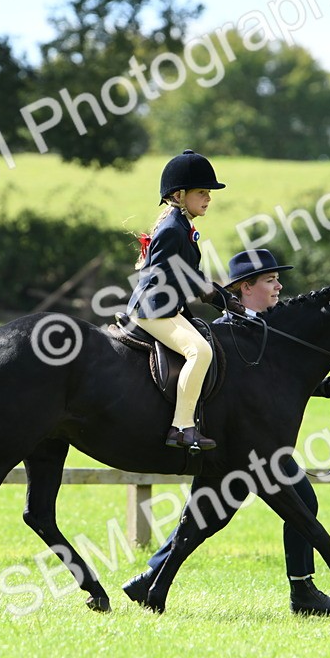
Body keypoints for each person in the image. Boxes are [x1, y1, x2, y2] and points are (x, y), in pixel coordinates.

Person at [131, 248, 330, 616]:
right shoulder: (226, 333)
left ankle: (150, 578)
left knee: (207, 513)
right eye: (270, 280)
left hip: (249, 444)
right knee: (271, 506)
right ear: (244, 289)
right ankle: (303, 592)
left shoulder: (267, 330)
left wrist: (323, 388)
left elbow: (274, 382)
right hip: (237, 444)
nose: (279, 286)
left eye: (277, 280)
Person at [126, 150, 243, 451]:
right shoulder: (172, 229)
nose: (208, 198)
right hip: (154, 310)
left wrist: (222, 297)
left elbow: (190, 274)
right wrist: (218, 297)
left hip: (168, 308)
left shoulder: (182, 226)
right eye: (202, 192)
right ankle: (181, 427)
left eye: (208, 193)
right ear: (179, 195)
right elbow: (172, 274)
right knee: (199, 352)